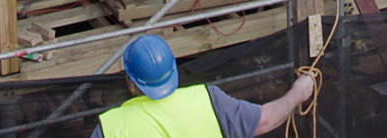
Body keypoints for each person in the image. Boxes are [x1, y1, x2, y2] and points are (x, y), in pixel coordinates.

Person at [93, 33, 315, 138]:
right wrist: (299, 92)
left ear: (131, 81)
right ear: (174, 68)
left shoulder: (111, 128)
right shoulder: (208, 100)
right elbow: (265, 120)